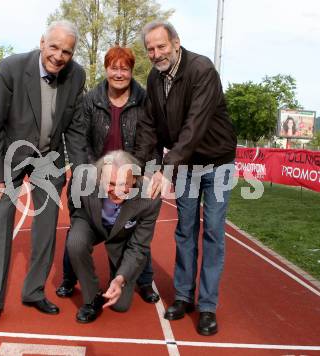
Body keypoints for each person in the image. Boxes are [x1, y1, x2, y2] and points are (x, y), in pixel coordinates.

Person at [0, 20, 87, 331]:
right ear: (42, 43)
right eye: (53, 47)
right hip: (11, 154)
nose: (59, 56)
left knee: (47, 226)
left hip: (48, 158)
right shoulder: (11, 68)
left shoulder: (76, 75)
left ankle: (34, 291)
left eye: (67, 51)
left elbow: (76, 128)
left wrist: (78, 169)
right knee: (0, 226)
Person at [134, 20, 237, 336]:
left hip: (216, 163)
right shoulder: (154, 78)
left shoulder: (201, 69)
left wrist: (167, 166)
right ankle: (182, 297)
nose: (155, 53)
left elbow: (194, 126)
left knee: (214, 234)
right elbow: (150, 125)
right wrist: (137, 167)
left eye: (161, 46)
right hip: (186, 163)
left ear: (176, 43)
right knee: (185, 230)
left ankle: (207, 307)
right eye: (150, 48)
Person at [56, 46, 160, 304]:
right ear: (106, 69)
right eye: (114, 67)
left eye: (124, 68)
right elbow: (81, 140)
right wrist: (90, 173)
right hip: (97, 175)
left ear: (131, 71)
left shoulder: (144, 100)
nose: (119, 73)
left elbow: (149, 141)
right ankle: (70, 278)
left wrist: (140, 174)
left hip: (129, 177)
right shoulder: (90, 99)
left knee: (134, 229)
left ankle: (144, 281)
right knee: (78, 229)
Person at [67, 150, 161, 323]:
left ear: (134, 179)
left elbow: (139, 246)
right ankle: (92, 297)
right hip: (92, 223)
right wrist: (79, 223)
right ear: (100, 177)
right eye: (110, 183)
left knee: (120, 306)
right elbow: (74, 204)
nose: (117, 191)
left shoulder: (150, 197)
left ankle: (118, 279)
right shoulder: (82, 178)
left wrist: (120, 279)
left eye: (123, 184)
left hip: (123, 235)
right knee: (75, 241)